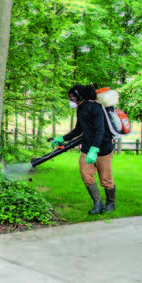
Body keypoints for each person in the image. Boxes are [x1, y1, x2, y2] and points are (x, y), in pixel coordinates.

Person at [52, 84, 116, 215]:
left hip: (103, 149)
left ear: (80, 96)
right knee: (86, 175)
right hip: (87, 148)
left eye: (72, 98)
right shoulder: (80, 109)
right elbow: (78, 130)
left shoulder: (96, 108)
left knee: (106, 178)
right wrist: (62, 138)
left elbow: (100, 130)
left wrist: (95, 149)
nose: (70, 101)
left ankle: (110, 203)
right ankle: (98, 204)